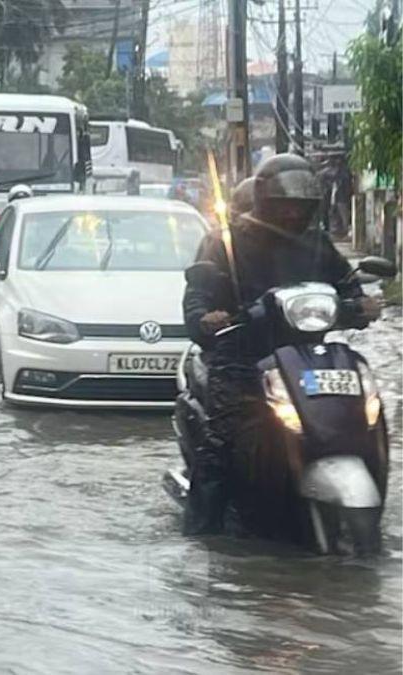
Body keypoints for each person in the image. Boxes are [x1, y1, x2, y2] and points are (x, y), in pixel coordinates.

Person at [181, 153, 379, 535]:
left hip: (311, 362)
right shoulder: (226, 242)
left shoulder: (318, 244)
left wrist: (361, 303)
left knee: (364, 419)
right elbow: (198, 296)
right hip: (242, 359)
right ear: (265, 199)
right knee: (220, 444)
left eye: (299, 205)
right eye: (284, 204)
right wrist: (207, 317)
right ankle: (201, 536)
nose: (292, 214)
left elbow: (347, 284)